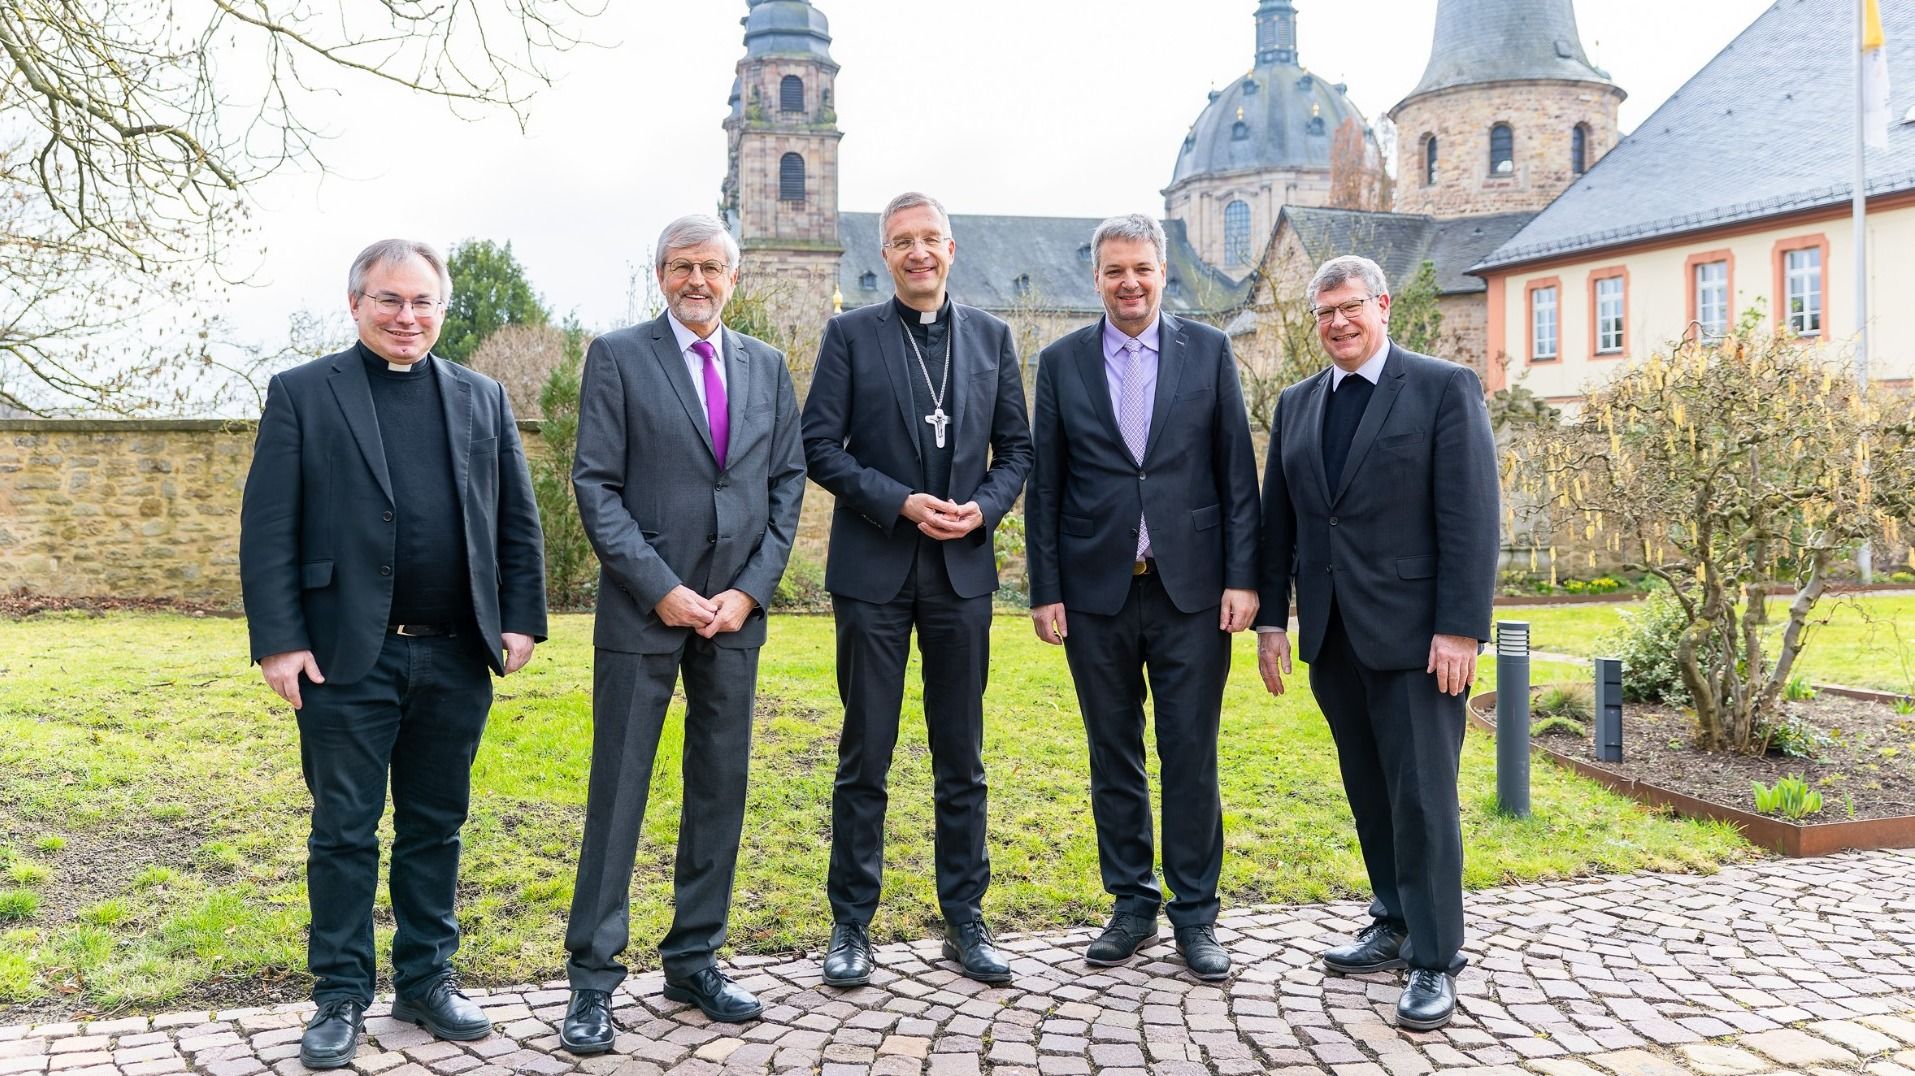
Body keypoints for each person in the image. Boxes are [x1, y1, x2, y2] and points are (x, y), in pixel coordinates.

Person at [240, 239, 548, 1069]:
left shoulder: (482, 396)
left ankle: (426, 980)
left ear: (442, 309)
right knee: (343, 829)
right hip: (344, 656)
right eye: (390, 301)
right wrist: (279, 641)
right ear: (356, 304)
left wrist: (521, 618)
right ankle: (339, 995)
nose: (407, 317)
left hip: (455, 654)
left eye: (423, 303)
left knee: (436, 825)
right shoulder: (304, 393)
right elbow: (268, 528)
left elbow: (516, 519)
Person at [557, 214, 806, 1046]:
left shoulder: (766, 368)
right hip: (642, 612)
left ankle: (695, 957)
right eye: (679, 266)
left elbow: (786, 487)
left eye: (710, 267)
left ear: (733, 278)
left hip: (734, 617)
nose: (695, 280)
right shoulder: (619, 357)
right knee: (618, 792)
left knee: (718, 791)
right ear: (658, 274)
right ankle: (592, 979)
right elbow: (596, 485)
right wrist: (660, 588)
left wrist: (750, 591)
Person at [1254, 254, 1500, 1030]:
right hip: (1330, 636)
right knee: (1368, 791)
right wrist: (1270, 618)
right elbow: (1278, 524)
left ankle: (1434, 957)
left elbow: (1470, 517)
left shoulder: (1439, 388)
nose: (1336, 324)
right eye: (1323, 313)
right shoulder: (1295, 405)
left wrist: (1460, 627)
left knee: (1422, 800)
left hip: (1418, 638)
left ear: (1382, 305)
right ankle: (1392, 920)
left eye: (1349, 308)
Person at [800, 192, 1033, 987]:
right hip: (873, 572)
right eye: (903, 242)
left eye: (930, 239)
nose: (918, 253)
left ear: (951, 248)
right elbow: (819, 448)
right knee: (865, 753)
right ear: (886, 254)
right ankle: (850, 925)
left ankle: (964, 918)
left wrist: (983, 510)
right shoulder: (849, 335)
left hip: (961, 576)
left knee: (960, 756)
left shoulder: (992, 338)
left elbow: (1019, 453)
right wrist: (897, 501)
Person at [1024, 213, 1260, 982]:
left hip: (1190, 591)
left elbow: (1235, 474)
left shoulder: (1209, 351)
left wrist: (1241, 577)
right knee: (1112, 753)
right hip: (1095, 593)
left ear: (1163, 273)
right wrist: (1045, 588)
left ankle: (1195, 914)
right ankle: (1131, 901)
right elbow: (1048, 484)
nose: (1129, 283)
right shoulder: (1061, 362)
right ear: (1096, 278)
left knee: (1189, 755)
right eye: (1114, 270)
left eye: (1142, 269)